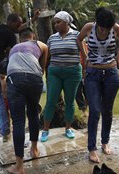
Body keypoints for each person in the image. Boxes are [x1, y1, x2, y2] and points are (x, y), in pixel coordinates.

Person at [77, 7, 119, 163]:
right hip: (93, 75)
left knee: (107, 110)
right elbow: (79, 39)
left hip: (111, 74)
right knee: (95, 110)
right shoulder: (88, 27)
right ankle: (91, 148)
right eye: (102, 28)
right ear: (97, 23)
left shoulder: (115, 28)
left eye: (107, 29)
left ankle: (105, 142)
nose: (104, 31)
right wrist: (85, 59)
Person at [0, 12, 40, 142]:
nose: (19, 27)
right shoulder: (10, 35)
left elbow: (17, 28)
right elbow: (14, 53)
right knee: (13, 93)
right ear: (12, 23)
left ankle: (5, 132)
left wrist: (33, 19)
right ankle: (18, 118)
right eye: (18, 25)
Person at [6, 27, 48, 174]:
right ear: (33, 36)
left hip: (15, 79)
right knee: (33, 114)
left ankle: (19, 167)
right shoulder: (39, 44)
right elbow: (45, 55)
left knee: (18, 121)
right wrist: (40, 71)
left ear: (20, 38)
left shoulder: (13, 49)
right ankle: (34, 150)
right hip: (34, 79)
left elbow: (9, 69)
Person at [40, 11, 82, 142]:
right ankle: (45, 130)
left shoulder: (77, 36)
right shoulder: (52, 38)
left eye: (58, 22)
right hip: (55, 73)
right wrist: (44, 70)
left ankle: (68, 128)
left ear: (67, 22)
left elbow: (84, 53)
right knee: (51, 101)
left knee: (70, 102)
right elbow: (47, 56)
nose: (56, 25)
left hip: (73, 73)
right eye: (55, 23)